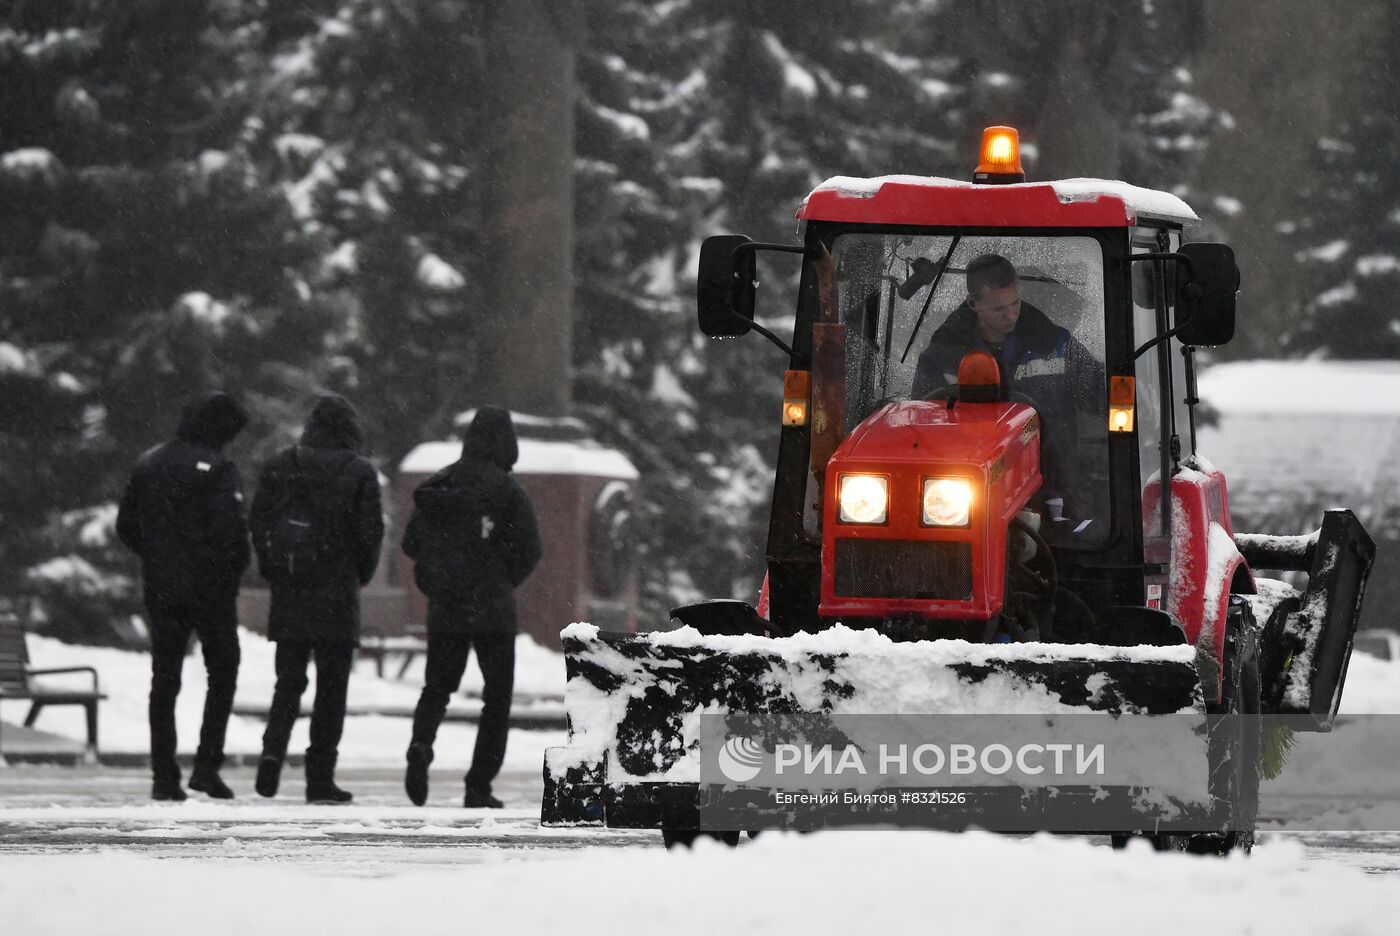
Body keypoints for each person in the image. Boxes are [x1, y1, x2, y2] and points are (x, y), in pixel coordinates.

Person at [401, 407, 542, 808]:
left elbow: (411, 543)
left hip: (445, 607)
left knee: (436, 688)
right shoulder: (508, 491)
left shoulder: (439, 484)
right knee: (496, 699)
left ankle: (421, 745)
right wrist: (499, 580)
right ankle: (478, 784)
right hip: (493, 611)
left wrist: (444, 576)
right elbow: (530, 550)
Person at [249, 395, 384, 804]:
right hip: (337, 594)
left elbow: (259, 523)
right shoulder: (359, 472)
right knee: (331, 690)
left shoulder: (279, 465)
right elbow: (370, 534)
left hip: (291, 589)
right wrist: (356, 575)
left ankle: (272, 752)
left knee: (288, 682)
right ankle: (319, 776)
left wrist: (276, 569)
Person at [116, 391, 251, 801]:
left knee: (164, 679)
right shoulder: (218, 468)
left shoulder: (149, 462)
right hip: (210, 589)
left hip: (163, 586)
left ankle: (164, 774)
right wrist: (229, 569)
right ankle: (207, 766)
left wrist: (158, 555)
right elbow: (231, 533)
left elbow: (126, 525)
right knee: (223, 672)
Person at [912, 253, 1092, 522]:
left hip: (1054, 489)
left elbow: (1102, 395)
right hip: (966, 497)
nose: (1011, 315)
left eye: (1016, 303)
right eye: (998, 309)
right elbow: (923, 428)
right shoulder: (942, 356)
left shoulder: (1056, 345)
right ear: (973, 303)